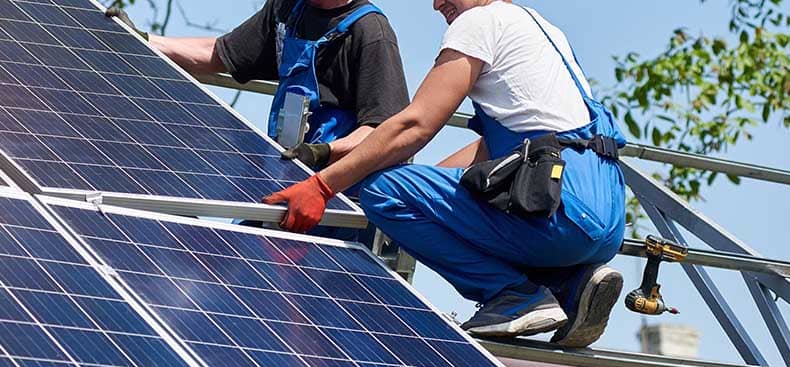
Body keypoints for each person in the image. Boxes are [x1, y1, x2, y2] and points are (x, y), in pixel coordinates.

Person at [263, 0, 627, 347]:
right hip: (603, 213)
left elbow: (415, 125)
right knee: (419, 195)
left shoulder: (478, 22)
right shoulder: (540, 29)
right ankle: (570, 283)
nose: (437, 5)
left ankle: (511, 294)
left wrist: (322, 186)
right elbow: (493, 150)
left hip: (558, 209)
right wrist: (427, 202)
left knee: (383, 191)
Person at [106, 0, 410, 171]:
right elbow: (219, 54)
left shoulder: (371, 33)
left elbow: (385, 133)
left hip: (336, 191)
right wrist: (144, 42)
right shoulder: (289, 8)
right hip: (282, 169)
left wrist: (321, 153)